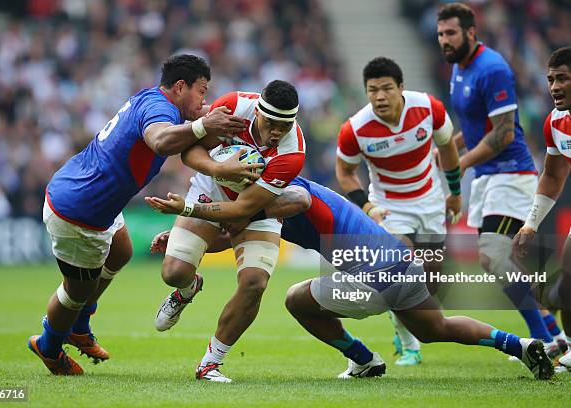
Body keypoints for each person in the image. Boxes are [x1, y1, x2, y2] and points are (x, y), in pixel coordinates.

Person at [151, 176, 555, 381]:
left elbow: (286, 205)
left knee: (296, 299)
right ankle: (520, 344)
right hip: (399, 265)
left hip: (372, 275)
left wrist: (200, 217)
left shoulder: (287, 194)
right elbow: (234, 231)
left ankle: (362, 360)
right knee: (436, 327)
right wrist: (189, 243)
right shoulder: (273, 196)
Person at [28, 54, 258, 375]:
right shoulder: (160, 110)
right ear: (180, 86)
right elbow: (161, 140)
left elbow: (192, 120)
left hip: (87, 194)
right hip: (79, 212)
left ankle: (80, 327)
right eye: (202, 91)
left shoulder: (156, 99)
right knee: (75, 292)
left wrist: (220, 116)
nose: (204, 99)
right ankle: (49, 346)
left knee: (121, 250)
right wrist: (205, 123)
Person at [145, 80, 305, 382]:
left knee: (255, 283)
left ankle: (210, 363)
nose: (276, 133)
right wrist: (219, 169)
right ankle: (187, 288)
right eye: (271, 123)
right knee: (173, 272)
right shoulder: (232, 108)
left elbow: (244, 210)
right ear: (257, 110)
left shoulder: (292, 152)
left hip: (256, 204)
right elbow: (190, 151)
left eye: (284, 127)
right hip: (211, 188)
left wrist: (187, 211)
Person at [436, 2, 561, 356]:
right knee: (502, 262)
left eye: (451, 33)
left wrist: (459, 163)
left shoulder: (492, 68)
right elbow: (477, 127)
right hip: (488, 180)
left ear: (470, 33)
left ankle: (549, 339)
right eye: (441, 34)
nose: (445, 40)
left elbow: (504, 133)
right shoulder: (459, 69)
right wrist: (445, 146)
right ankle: (553, 332)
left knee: (494, 256)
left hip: (512, 175)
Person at [335, 57, 462, 365]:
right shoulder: (355, 128)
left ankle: (404, 328)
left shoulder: (429, 108)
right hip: (389, 208)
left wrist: (455, 192)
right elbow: (344, 171)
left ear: (401, 88)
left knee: (431, 285)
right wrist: (368, 206)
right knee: (400, 273)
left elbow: (446, 147)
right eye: (372, 90)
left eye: (387, 89)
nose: (380, 96)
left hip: (430, 202)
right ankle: (409, 346)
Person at [513, 46, 571, 373]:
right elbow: (552, 174)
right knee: (566, 284)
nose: (554, 86)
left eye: (562, 78)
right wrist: (530, 225)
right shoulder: (556, 123)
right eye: (551, 79)